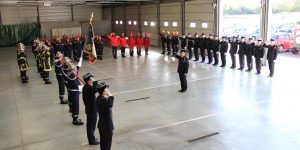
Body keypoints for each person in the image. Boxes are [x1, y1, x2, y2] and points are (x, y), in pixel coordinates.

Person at [62, 59, 84, 125]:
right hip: (74, 92)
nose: (76, 69)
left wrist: (80, 59)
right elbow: (75, 84)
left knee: (72, 103)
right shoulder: (71, 76)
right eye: (74, 69)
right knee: (76, 105)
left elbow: (77, 67)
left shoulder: (69, 73)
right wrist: (82, 87)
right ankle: (75, 119)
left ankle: (72, 111)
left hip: (72, 91)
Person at [82, 73, 100, 145]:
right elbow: (95, 90)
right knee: (91, 125)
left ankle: (92, 138)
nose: (91, 80)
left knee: (92, 125)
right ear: (88, 80)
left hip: (91, 109)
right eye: (90, 79)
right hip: (91, 110)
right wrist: (95, 83)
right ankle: (91, 141)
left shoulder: (87, 87)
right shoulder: (88, 88)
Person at [96, 82, 114, 150]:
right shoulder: (103, 100)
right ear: (103, 91)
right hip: (106, 126)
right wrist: (110, 95)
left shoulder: (99, 98)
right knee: (107, 143)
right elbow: (110, 104)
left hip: (102, 125)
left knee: (104, 143)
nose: (107, 90)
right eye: (106, 89)